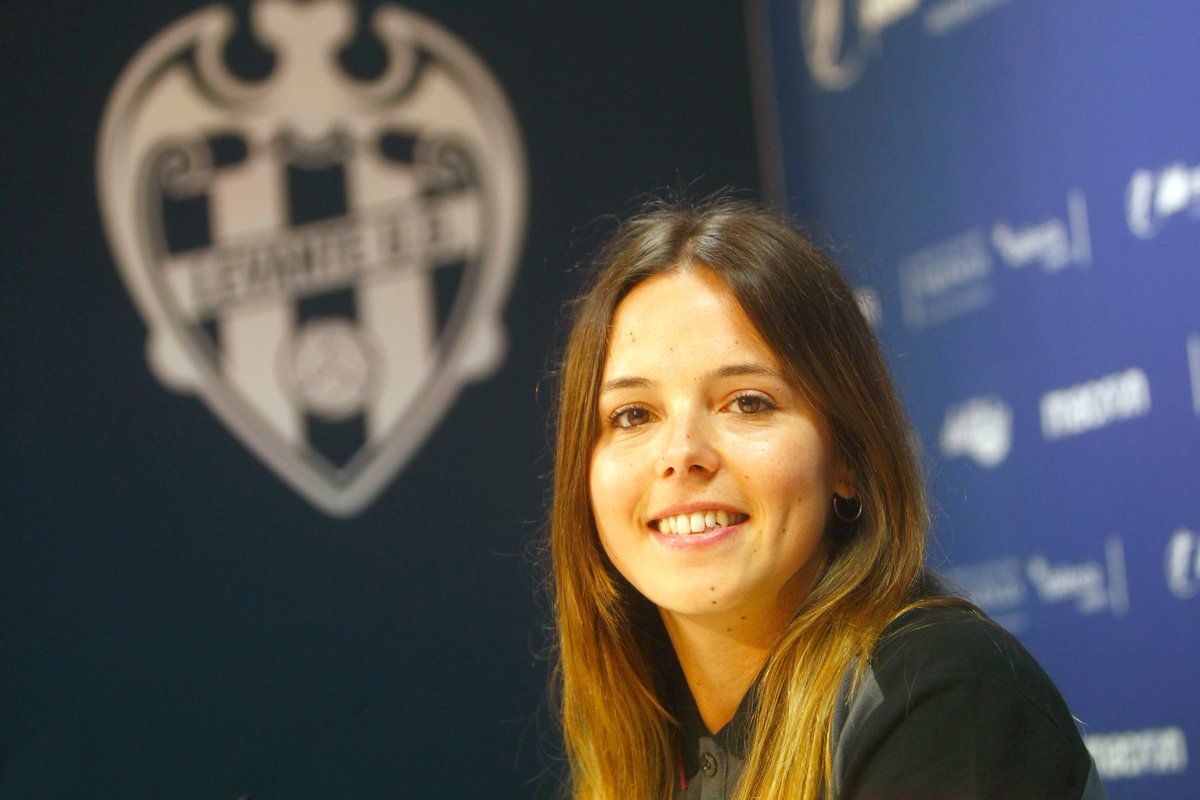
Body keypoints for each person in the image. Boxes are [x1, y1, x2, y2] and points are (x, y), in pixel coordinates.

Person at [546, 198, 1106, 800]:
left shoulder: (942, 694)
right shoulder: (646, 745)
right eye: (633, 414)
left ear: (846, 457)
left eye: (748, 402)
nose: (681, 453)